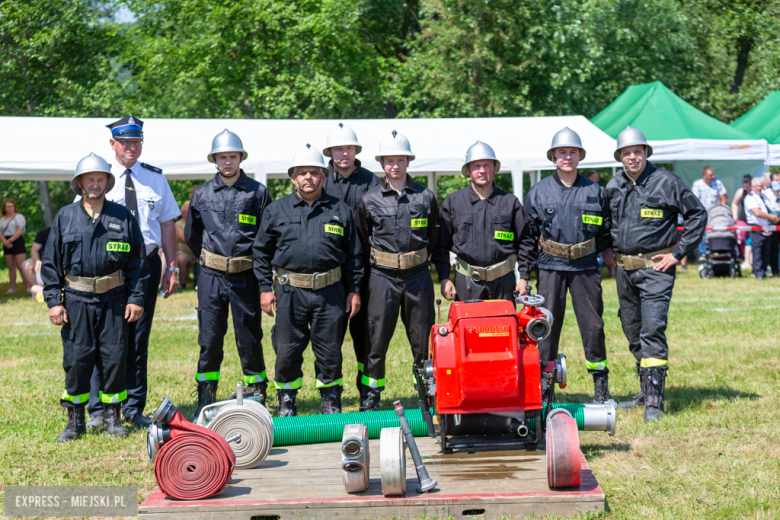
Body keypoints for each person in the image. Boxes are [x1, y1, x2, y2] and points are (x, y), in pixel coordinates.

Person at [41, 153, 148, 442]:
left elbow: (138, 262)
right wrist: (54, 301)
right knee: (77, 360)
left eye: (101, 179)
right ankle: (75, 421)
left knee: (114, 358)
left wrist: (136, 298)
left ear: (108, 183)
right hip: (76, 301)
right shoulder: (65, 216)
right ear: (80, 183)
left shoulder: (122, 216)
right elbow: (50, 263)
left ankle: (114, 417)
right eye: (90, 179)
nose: (95, 184)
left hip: (114, 300)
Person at [86, 115, 181, 431]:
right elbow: (82, 221)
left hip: (146, 264)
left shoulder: (155, 178)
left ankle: (132, 406)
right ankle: (99, 407)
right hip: (108, 267)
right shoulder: (97, 177)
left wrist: (171, 266)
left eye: (136, 141)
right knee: (104, 337)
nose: (131, 147)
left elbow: (167, 224)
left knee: (138, 339)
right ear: (112, 143)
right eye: (125, 142)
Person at [605, 126, 706, 422]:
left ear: (646, 153)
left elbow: (697, 215)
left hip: (655, 271)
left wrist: (677, 253)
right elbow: (604, 223)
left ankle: (653, 403)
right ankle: (643, 390)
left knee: (651, 329)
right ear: (620, 157)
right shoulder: (613, 186)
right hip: (624, 272)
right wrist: (605, 248)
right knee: (632, 329)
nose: (633, 157)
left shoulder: (667, 182)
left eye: (638, 151)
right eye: (627, 152)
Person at [254, 144, 362, 416]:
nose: (308, 178)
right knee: (287, 350)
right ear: (293, 178)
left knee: (329, 350)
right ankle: (287, 401)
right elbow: (260, 251)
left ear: (324, 176)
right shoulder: (276, 210)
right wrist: (265, 289)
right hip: (290, 293)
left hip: (331, 293)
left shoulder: (340, 210)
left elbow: (355, 255)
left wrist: (355, 290)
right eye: (302, 173)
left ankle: (330, 399)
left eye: (314, 172)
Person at [185, 130, 273, 419]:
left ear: (241, 158)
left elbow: (267, 237)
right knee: (210, 337)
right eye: (222, 157)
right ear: (215, 160)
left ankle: (256, 392)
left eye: (232, 156)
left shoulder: (257, 192)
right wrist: (211, 261)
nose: (227, 162)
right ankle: (206, 394)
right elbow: (192, 235)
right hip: (211, 276)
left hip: (245, 275)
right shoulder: (201, 194)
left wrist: (263, 281)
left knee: (249, 336)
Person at [523, 128, 613, 403]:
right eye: (562, 152)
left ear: (580, 156)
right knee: (546, 327)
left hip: (586, 267)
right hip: (551, 266)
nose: (567, 157)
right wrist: (524, 274)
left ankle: (600, 384)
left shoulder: (595, 191)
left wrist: (609, 254)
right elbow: (527, 238)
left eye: (573, 152)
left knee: (593, 325)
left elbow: (606, 231)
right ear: (553, 157)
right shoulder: (537, 193)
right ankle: (545, 385)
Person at [355, 130, 438, 411]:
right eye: (389, 160)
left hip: (418, 277)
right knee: (375, 340)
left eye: (400, 160)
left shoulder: (426, 198)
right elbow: (362, 238)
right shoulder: (370, 200)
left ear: (408, 162)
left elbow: (435, 239)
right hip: (383, 278)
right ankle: (371, 397)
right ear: (381, 164)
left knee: (422, 340)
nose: (395, 166)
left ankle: (427, 394)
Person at [432, 141, 536, 303]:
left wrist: (524, 277)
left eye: (487, 165)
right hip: (466, 281)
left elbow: (526, 242)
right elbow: (441, 245)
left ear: (495, 168)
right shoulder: (453, 202)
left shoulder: (510, 202)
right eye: (476, 166)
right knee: (468, 327)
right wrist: (444, 277)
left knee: (503, 327)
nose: (482, 170)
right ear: (468, 170)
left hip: (504, 281)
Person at [322, 123, 382, 397]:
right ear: (330, 152)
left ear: (356, 150)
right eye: (338, 148)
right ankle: (331, 393)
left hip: (366, 270)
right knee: (329, 335)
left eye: (348, 148)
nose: (343, 153)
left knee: (365, 335)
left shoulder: (371, 181)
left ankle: (368, 392)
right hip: (329, 270)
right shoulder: (321, 179)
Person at [744, 177, 779, 280]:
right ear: (752, 187)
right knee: (758, 251)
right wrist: (772, 217)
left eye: (761, 186)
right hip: (756, 228)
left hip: (767, 227)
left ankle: (763, 272)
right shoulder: (750, 197)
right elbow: (757, 213)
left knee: (766, 251)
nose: (759, 188)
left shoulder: (764, 196)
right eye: (757, 186)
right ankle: (758, 273)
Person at [691, 166, 727, 261]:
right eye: (711, 175)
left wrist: (720, 211)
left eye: (713, 174)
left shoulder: (718, 183)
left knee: (715, 233)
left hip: (715, 215)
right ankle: (702, 254)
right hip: (702, 213)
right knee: (702, 234)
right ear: (704, 175)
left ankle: (716, 252)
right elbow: (695, 200)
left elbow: (724, 199)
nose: (713, 176)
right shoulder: (697, 184)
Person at [1, 198, 32, 293]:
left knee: (21, 266)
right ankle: (12, 288)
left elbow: (19, 231)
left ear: (15, 207)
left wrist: (9, 241)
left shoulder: (19, 217)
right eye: (8, 206)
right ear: (4, 208)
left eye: (12, 206)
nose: (10, 208)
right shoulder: (1, 219)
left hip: (17, 241)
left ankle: (28, 287)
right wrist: (5, 242)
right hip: (5, 242)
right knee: (11, 267)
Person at [21, 226, 51, 299]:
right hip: (42, 260)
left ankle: (42, 292)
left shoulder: (65, 233)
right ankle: (37, 290)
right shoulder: (44, 232)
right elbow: (34, 250)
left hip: (57, 263)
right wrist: (37, 260)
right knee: (26, 264)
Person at [732, 174, 753, 266]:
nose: (746, 188)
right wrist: (734, 215)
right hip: (743, 220)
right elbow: (735, 203)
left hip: (755, 222)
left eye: (748, 186)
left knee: (752, 240)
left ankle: (750, 259)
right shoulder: (741, 191)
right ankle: (741, 255)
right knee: (739, 235)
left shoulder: (757, 192)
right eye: (745, 186)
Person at [175, 202, 197, 287]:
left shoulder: (196, 222)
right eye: (187, 212)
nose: (189, 214)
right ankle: (183, 283)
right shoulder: (178, 224)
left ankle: (199, 283)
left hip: (196, 252)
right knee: (181, 260)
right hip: (184, 252)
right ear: (183, 213)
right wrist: (196, 238)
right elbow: (182, 238)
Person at [763, 177, 780, 277]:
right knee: (771, 248)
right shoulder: (766, 195)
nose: (777, 191)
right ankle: (772, 269)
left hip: (776, 224)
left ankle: (775, 269)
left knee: (775, 248)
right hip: (770, 224)